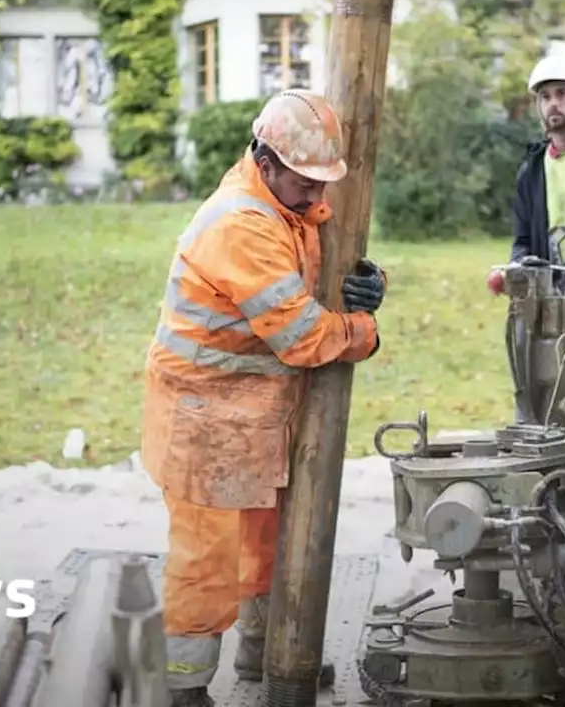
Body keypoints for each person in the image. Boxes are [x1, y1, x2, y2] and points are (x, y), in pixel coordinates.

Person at [139, 89, 388, 707]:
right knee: (205, 564)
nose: (319, 198)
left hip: (249, 416)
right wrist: (363, 331)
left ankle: (260, 649)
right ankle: (183, 687)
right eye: (308, 183)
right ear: (267, 161)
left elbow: (313, 244)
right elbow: (303, 337)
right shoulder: (240, 224)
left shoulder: (282, 202)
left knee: (263, 542)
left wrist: (370, 280)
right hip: (202, 419)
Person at [487, 54, 565, 295]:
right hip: (550, 299)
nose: (553, 103)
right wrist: (515, 270)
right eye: (545, 97)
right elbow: (522, 240)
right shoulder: (531, 170)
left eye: (562, 93)